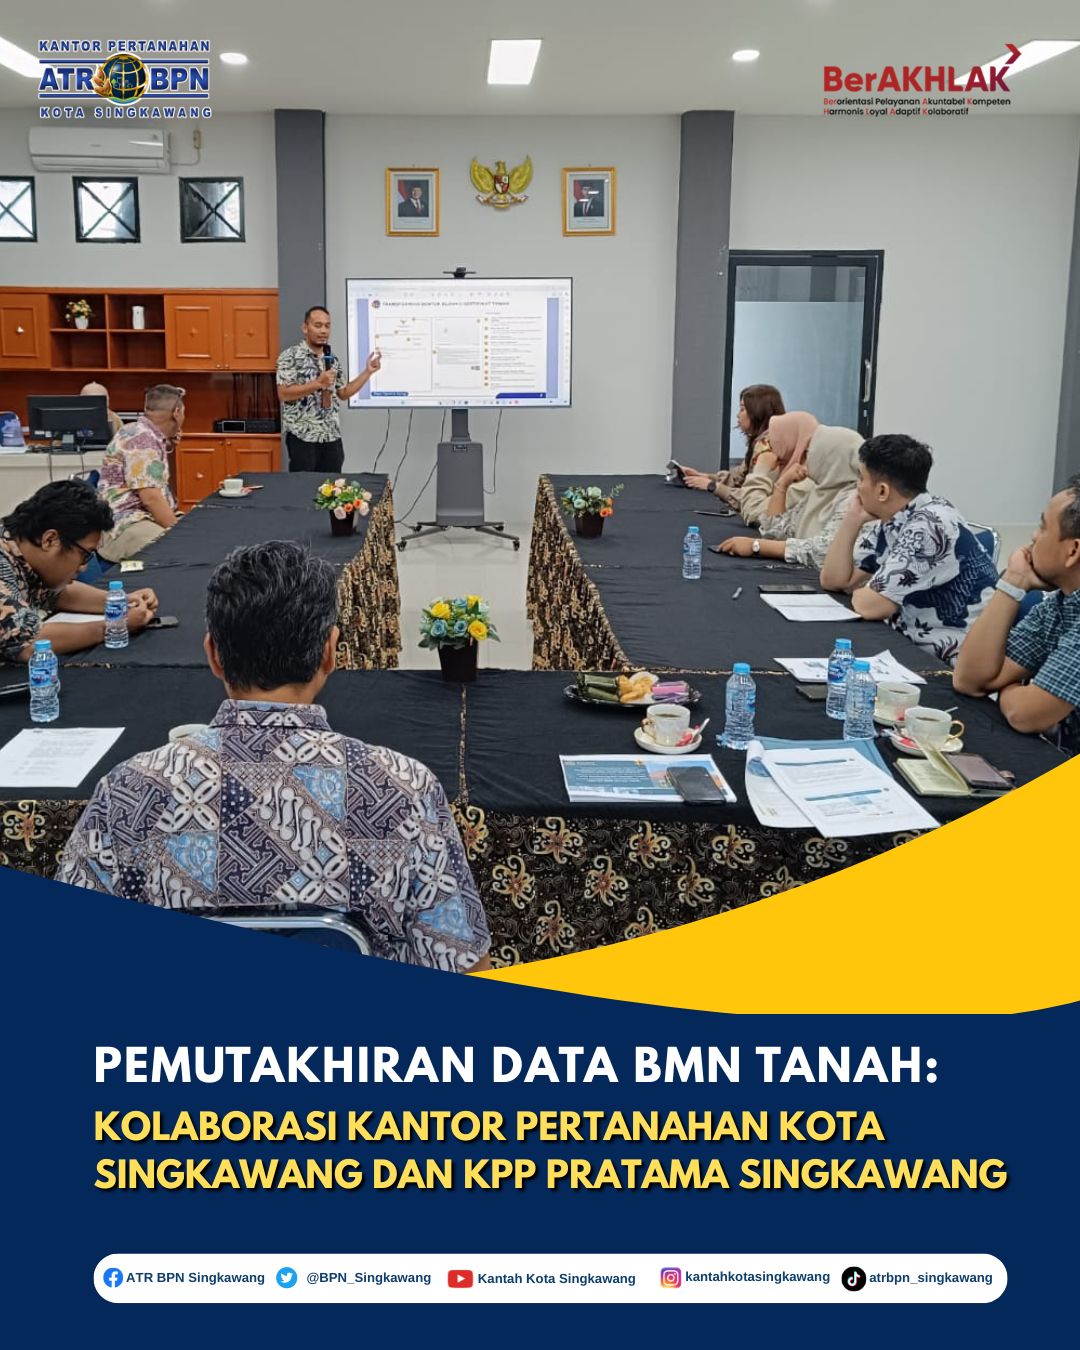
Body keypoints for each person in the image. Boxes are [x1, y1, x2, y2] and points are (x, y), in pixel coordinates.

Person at [58, 540, 492, 973]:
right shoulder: (405, 788)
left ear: (213, 655)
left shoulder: (129, 789)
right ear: (330, 652)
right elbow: (463, 960)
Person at [820, 433, 999, 663]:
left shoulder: (929, 526)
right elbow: (834, 580)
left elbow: (870, 606)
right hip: (907, 641)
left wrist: (864, 592)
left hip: (949, 661)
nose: (858, 487)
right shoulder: (896, 518)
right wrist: (852, 519)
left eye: (861, 478)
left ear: (882, 491)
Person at [953, 478, 1080, 754]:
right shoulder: (1061, 603)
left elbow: (1025, 716)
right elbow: (969, 679)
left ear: (1073, 551)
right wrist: (1013, 582)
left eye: (1043, 527)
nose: (1034, 536)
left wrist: (1007, 690)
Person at [0, 480, 157, 661]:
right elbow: (28, 644)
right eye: (85, 555)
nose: (84, 567)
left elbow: (56, 594)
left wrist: (122, 601)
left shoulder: (21, 549)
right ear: (50, 540)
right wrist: (116, 626)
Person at [713, 425, 864, 568]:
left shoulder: (854, 500)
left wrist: (756, 546)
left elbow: (824, 551)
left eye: (809, 453)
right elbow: (775, 531)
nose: (804, 460)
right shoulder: (819, 491)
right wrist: (781, 486)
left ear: (828, 458)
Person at [276, 306, 382, 474]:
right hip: (303, 437)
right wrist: (318, 383)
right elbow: (284, 394)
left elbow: (343, 393)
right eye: (318, 325)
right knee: (304, 486)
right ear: (305, 328)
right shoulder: (290, 356)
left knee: (332, 486)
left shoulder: (331, 359)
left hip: (331, 436)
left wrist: (367, 372)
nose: (324, 331)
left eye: (327, 326)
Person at [96, 383, 184, 563]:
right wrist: (178, 532)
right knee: (178, 549)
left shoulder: (138, 430)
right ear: (176, 413)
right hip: (125, 524)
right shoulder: (143, 441)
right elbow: (150, 498)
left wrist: (167, 444)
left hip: (140, 516)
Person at [681, 384, 786, 507]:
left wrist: (712, 486)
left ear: (757, 412)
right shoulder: (760, 441)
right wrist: (702, 476)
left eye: (742, 409)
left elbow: (754, 500)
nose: (738, 415)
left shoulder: (768, 448)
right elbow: (737, 478)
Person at [737, 410, 820, 527]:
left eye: (774, 439)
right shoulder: (788, 466)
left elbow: (753, 513)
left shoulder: (805, 483)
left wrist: (761, 470)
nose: (769, 445)